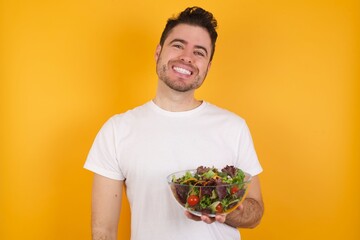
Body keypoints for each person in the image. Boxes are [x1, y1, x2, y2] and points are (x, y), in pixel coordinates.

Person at [84, 6, 264, 240]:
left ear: (207, 67)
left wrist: (223, 209)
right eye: (178, 45)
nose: (187, 57)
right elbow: (103, 232)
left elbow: (255, 212)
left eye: (199, 52)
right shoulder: (117, 130)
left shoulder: (233, 127)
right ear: (158, 52)